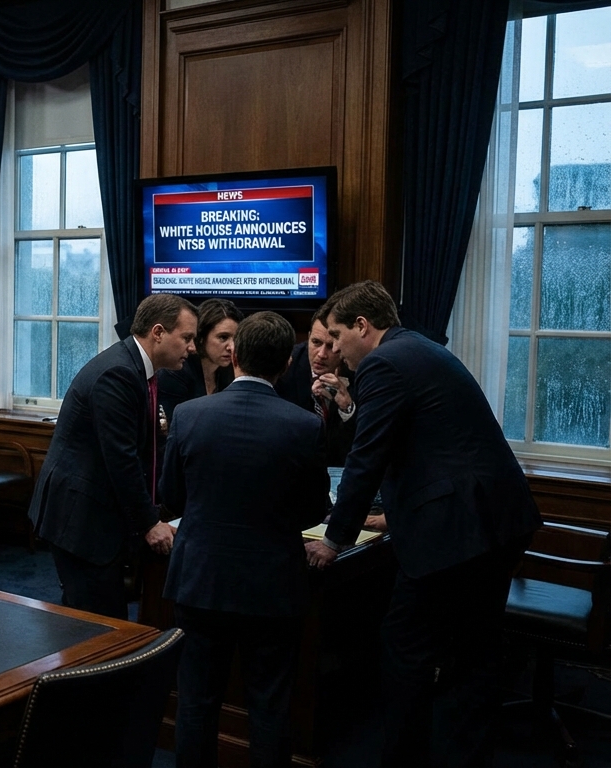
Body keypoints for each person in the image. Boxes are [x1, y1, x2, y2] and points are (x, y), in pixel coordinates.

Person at [303, 281, 541, 767]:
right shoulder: (420, 349)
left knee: (404, 645)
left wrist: (333, 540)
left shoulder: (383, 363)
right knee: (474, 652)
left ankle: (402, 758)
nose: (335, 350)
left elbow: (368, 458)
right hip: (496, 519)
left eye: (337, 336)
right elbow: (431, 446)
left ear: (363, 327)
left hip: (458, 533)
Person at [160, 311, 330, 768]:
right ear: (287, 365)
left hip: (200, 580)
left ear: (234, 355)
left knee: (196, 702)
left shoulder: (189, 416)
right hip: (272, 586)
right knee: (269, 707)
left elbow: (170, 496)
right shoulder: (304, 426)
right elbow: (317, 509)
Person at [28, 292, 198, 619]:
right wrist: (149, 524)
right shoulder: (118, 374)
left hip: (99, 513)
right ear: (158, 332)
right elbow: (121, 459)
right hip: (80, 519)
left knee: (104, 617)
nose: (192, 348)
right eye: (187, 338)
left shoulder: (138, 369)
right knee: (95, 625)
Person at [273, 305, 358, 467]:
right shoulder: (286, 365)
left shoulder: (357, 368)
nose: (321, 354)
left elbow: (362, 441)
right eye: (316, 342)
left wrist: (347, 407)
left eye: (330, 345)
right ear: (309, 336)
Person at [156, 298, 244, 426]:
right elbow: (172, 428)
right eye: (223, 337)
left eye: (235, 339)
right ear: (201, 338)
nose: (232, 347)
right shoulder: (176, 371)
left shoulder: (232, 371)